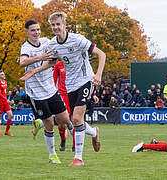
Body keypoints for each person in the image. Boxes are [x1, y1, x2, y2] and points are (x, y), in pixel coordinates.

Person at [22, 13, 105, 166]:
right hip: (71, 85)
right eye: (53, 25)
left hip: (86, 79)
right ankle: (93, 132)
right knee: (75, 120)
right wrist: (33, 71)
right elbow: (51, 63)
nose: (55, 28)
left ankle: (78, 158)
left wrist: (98, 74)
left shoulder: (77, 39)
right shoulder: (53, 44)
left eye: (58, 24)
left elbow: (101, 53)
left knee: (75, 119)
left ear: (64, 24)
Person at [19, 19, 72, 164]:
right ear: (27, 32)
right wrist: (40, 57)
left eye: (38, 29)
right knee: (49, 122)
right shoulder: (26, 48)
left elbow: (53, 60)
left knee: (66, 120)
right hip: (36, 93)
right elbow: (22, 62)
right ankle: (52, 155)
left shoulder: (46, 42)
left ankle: (39, 123)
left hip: (51, 89)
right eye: (33, 30)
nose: (36, 32)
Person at [0, 70, 13, 136]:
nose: (4, 75)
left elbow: (4, 93)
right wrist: (6, 99)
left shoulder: (5, 82)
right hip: (0, 102)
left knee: (10, 115)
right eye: (2, 74)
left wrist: (9, 100)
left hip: (5, 102)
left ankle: (7, 131)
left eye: (4, 74)